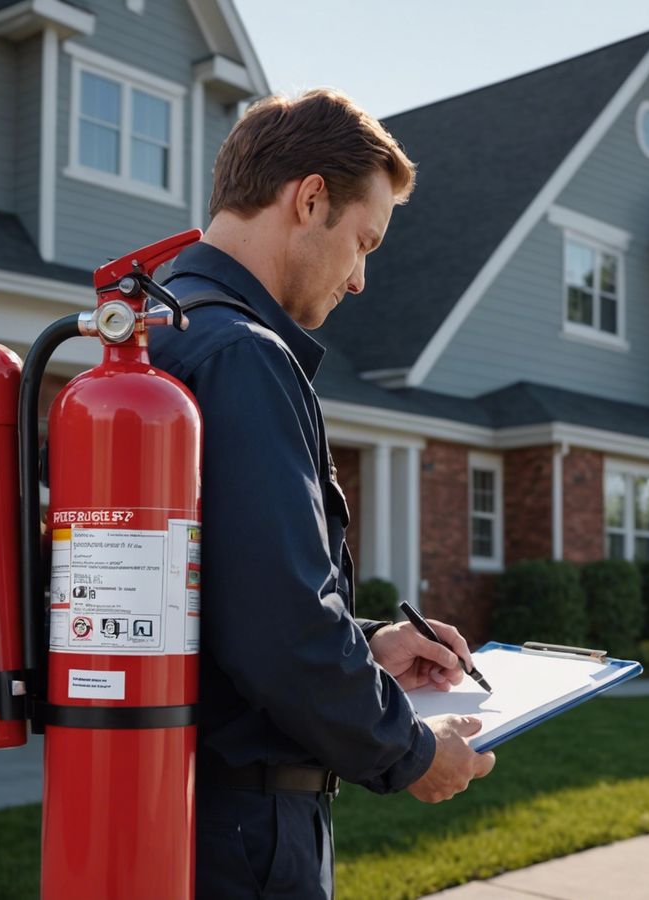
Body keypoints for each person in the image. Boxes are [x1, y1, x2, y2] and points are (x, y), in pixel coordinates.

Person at [149, 89, 496, 899]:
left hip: (173, 804)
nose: (362, 278)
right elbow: (284, 631)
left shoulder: (161, 329)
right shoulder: (244, 356)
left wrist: (368, 642)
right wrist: (409, 750)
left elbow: (232, 604)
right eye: (363, 241)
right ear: (309, 200)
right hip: (247, 837)